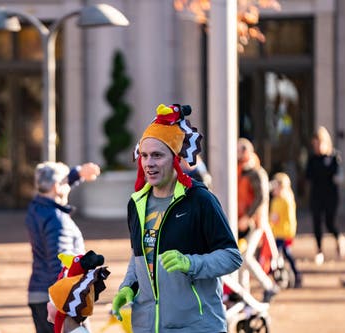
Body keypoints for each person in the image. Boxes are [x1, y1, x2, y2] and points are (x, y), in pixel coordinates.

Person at [111, 104, 242, 333]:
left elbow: (231, 257)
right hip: (147, 326)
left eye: (157, 156)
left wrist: (191, 264)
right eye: (144, 156)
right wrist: (128, 288)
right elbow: (140, 258)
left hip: (197, 326)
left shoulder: (200, 200)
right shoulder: (137, 203)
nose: (149, 163)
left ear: (174, 159)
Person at [25, 161, 101, 333]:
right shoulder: (58, 221)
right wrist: (70, 304)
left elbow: (55, 186)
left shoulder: (36, 208)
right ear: (56, 187)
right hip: (58, 300)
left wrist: (78, 173)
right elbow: (63, 264)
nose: (69, 187)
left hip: (38, 294)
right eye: (66, 183)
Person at [237, 138, 279, 302]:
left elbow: (261, 197)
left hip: (255, 223)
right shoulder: (242, 170)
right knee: (241, 258)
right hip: (244, 222)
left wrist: (248, 217)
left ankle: (268, 286)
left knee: (245, 257)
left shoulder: (255, 171)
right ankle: (244, 294)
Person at [305, 126, 345, 265]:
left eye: (319, 143)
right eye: (315, 143)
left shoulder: (334, 157)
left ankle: (339, 238)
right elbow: (308, 175)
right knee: (317, 222)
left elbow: (337, 176)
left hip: (330, 196)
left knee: (330, 223)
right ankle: (319, 250)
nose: (317, 146)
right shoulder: (312, 159)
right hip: (316, 195)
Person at [269, 172, 302, 288]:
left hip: (285, 233)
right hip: (277, 233)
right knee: (277, 255)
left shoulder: (286, 200)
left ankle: (295, 274)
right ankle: (280, 275)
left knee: (284, 254)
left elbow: (287, 219)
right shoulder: (276, 200)